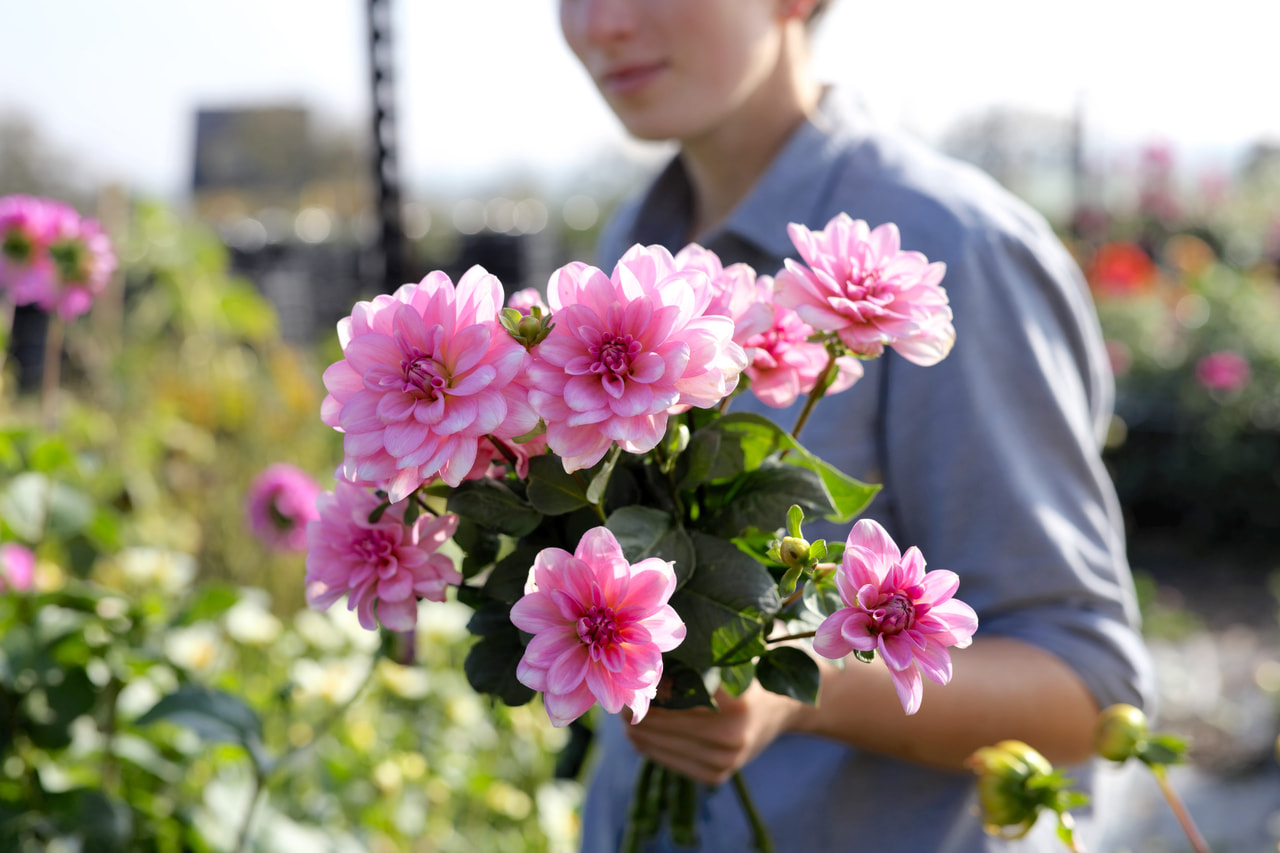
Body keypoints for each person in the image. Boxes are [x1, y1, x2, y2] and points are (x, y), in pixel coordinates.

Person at [556, 1, 1155, 850]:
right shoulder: (633, 243)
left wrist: (791, 684)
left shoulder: (954, 249)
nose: (601, 24)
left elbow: (1087, 691)